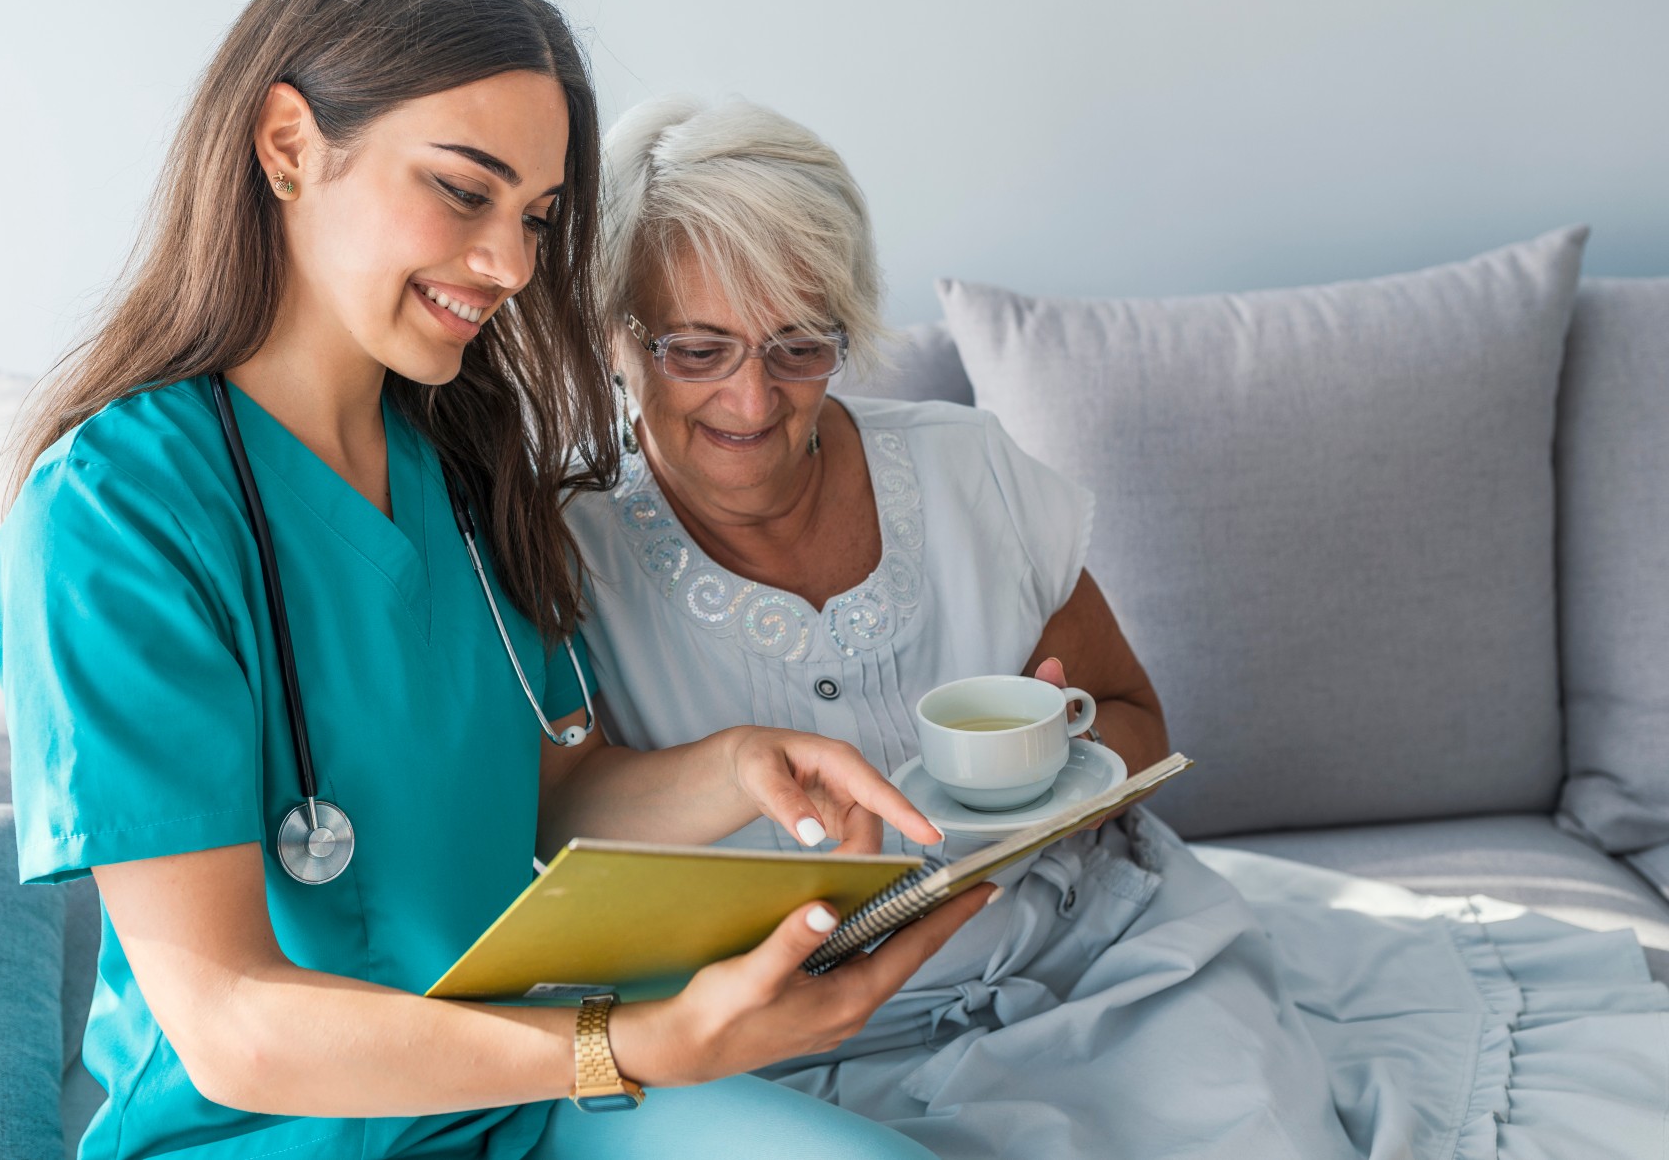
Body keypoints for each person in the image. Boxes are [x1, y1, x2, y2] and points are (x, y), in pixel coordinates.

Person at [0, 0, 996, 1160]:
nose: (512, 262)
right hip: (263, 1135)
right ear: (289, 145)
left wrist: (738, 767)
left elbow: (548, 792)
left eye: (538, 214)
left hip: (513, 1105)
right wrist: (626, 1044)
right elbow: (230, 1020)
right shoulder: (114, 513)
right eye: (465, 192)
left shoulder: (460, 452)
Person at [566, 95, 1669, 1159]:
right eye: (696, 350)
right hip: (791, 1049)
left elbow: (1136, 718)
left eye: (800, 345)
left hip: (1096, 971)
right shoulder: (564, 548)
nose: (754, 403)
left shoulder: (965, 470)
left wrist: (1065, 771)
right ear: (618, 340)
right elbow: (550, 817)